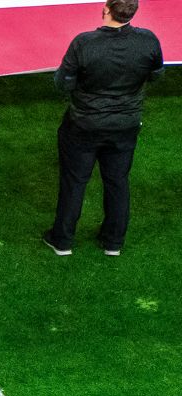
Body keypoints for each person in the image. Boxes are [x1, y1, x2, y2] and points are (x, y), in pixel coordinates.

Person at [43, 0, 164, 256]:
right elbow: (155, 75)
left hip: (83, 125)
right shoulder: (148, 41)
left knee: (74, 182)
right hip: (125, 125)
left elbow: (62, 83)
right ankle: (113, 242)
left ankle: (62, 240)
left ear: (106, 9)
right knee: (118, 181)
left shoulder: (84, 43)